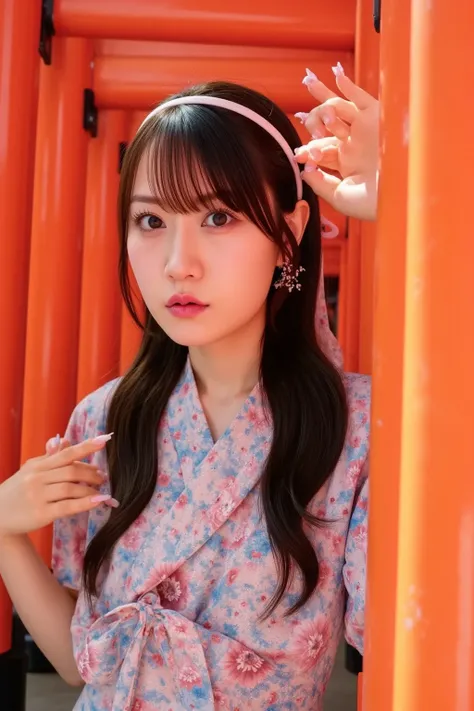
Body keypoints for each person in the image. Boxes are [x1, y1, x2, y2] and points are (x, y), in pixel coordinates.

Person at [0, 65, 378, 710]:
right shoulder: (102, 420)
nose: (178, 262)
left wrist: (421, 206)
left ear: (288, 232)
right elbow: (83, 664)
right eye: (151, 222)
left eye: (219, 216)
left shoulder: (358, 429)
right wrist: (4, 532)